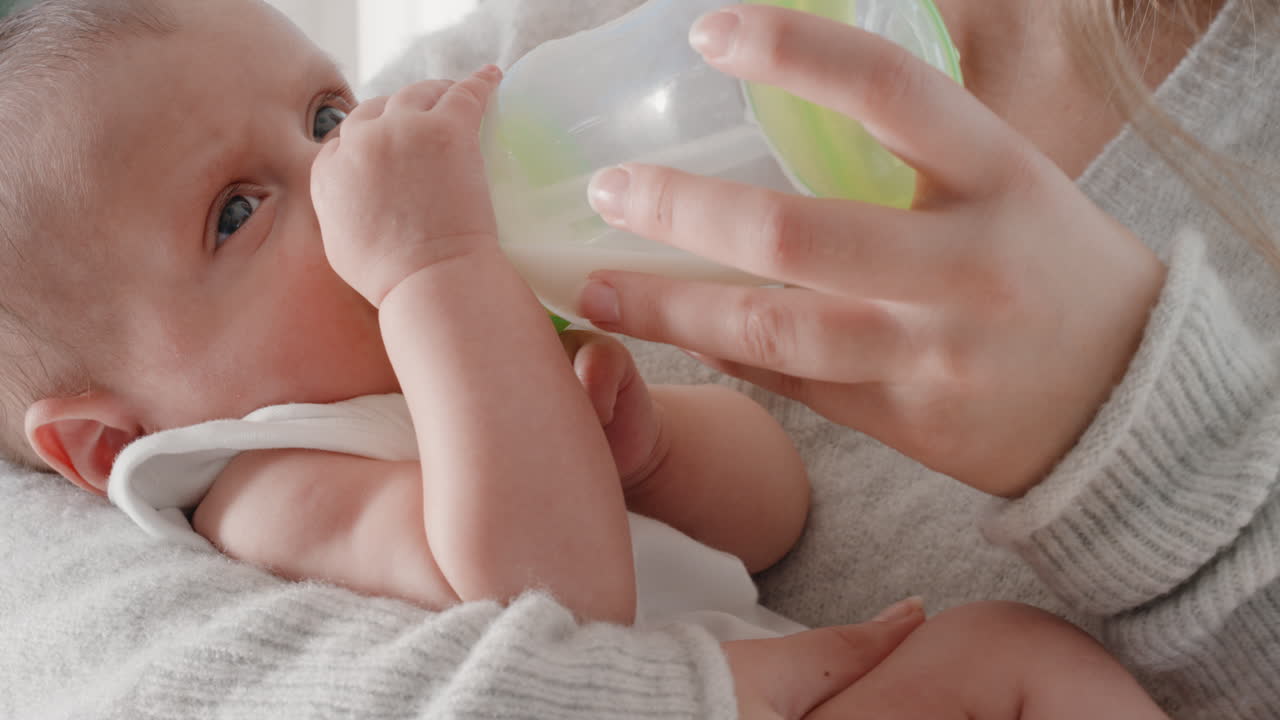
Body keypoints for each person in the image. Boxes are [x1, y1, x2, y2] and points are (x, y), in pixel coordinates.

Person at [0, 1, 1269, 719]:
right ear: (106, 442)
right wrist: (439, 272)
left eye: (328, 114)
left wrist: (652, 452)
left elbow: (772, 506)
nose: (350, 169)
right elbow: (546, 597)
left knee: (1010, 663)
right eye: (237, 209)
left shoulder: (433, 359)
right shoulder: (265, 479)